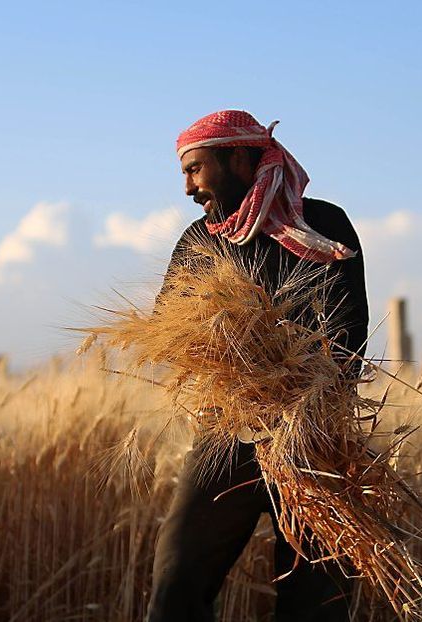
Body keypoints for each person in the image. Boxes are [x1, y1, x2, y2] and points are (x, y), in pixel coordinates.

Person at [145, 110, 369, 622]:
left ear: (240, 159)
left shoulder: (323, 225)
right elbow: (168, 331)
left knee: (317, 604)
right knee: (176, 581)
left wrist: (294, 395)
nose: (187, 188)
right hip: (227, 436)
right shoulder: (199, 242)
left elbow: (348, 330)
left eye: (195, 170)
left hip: (314, 441)